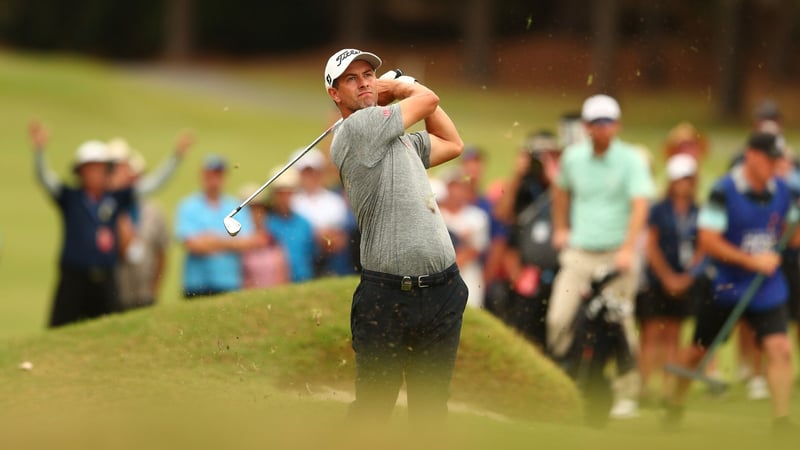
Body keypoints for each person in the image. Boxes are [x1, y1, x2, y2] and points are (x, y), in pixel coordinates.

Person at [324, 48, 466, 423]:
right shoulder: (358, 130)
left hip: (442, 290)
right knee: (373, 411)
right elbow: (429, 99)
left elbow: (452, 143)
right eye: (351, 79)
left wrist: (400, 92)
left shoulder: (398, 140)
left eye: (369, 74)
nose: (364, 82)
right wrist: (404, 87)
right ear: (335, 94)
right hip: (387, 297)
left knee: (431, 412)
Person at [665, 132, 800, 433]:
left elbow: (793, 236)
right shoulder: (723, 191)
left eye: (777, 160)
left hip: (765, 287)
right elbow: (709, 241)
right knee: (698, 351)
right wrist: (753, 260)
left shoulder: (783, 191)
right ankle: (674, 403)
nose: (774, 166)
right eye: (769, 159)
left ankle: (781, 421)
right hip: (725, 287)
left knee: (780, 348)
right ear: (751, 155)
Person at [548, 94, 655, 420]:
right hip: (580, 251)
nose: (602, 128)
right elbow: (561, 191)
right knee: (558, 319)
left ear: (617, 125)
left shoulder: (631, 159)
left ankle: (627, 393)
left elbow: (640, 205)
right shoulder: (573, 158)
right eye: (596, 123)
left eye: (607, 122)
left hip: (616, 254)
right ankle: (567, 380)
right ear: (586, 127)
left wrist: (627, 248)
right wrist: (561, 227)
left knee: (619, 324)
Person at [30, 122, 134, 327]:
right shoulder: (70, 197)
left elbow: (149, 186)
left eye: (100, 169)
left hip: (106, 277)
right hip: (73, 277)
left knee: (111, 329)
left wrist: (176, 157)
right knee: (61, 328)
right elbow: (44, 178)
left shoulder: (114, 197)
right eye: (91, 169)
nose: (96, 174)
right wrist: (39, 151)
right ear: (81, 172)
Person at [636, 153, 708, 406]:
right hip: (657, 280)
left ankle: (668, 389)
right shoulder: (659, 209)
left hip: (684, 278)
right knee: (652, 332)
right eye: (679, 179)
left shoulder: (699, 211)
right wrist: (667, 276)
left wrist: (687, 276)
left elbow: (703, 245)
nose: (684, 184)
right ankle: (643, 387)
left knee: (674, 335)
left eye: (688, 179)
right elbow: (651, 246)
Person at [108, 135, 192, 310]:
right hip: (111, 292)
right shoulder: (102, 203)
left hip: (143, 293)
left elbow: (162, 254)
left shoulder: (147, 206)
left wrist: (176, 157)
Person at [494, 130, 561, 347]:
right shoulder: (523, 185)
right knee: (522, 331)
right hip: (523, 271)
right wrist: (517, 174)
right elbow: (503, 214)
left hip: (556, 271)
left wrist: (555, 177)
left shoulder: (562, 184)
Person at [174, 154, 265, 298]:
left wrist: (212, 240)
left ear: (225, 177)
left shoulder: (235, 206)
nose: (214, 180)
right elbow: (193, 245)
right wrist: (231, 243)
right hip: (196, 286)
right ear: (202, 176)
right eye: (210, 175)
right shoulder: (188, 206)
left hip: (229, 283)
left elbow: (249, 242)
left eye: (218, 175)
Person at [291, 148, 356, 277]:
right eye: (305, 173)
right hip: (305, 257)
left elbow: (343, 235)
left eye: (314, 172)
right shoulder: (292, 201)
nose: (310, 177)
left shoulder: (335, 201)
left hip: (334, 258)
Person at [438, 168, 490, 308]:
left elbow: (475, 249)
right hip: (438, 270)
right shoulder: (435, 214)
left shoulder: (476, 216)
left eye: (461, 187)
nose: (457, 192)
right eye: (453, 187)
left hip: (466, 273)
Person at [264, 167, 317, 283]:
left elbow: (312, 254)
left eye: (288, 194)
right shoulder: (267, 223)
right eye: (280, 194)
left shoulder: (305, 223)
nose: (284, 198)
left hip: (304, 279)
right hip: (274, 283)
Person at [237, 183, 289, 289]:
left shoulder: (274, 237)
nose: (256, 214)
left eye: (259, 209)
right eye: (251, 209)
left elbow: (282, 273)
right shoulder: (238, 240)